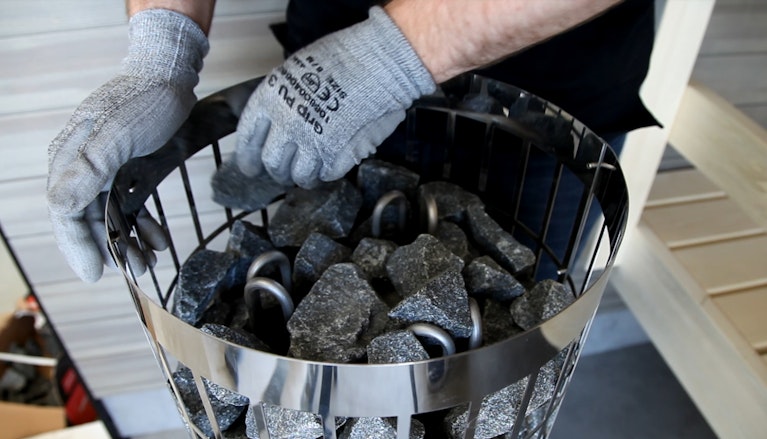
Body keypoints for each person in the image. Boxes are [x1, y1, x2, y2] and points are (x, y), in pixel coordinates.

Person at [47, 0, 654, 283]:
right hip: (326, 78)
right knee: (313, 347)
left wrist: (395, 57)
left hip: (537, 102)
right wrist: (164, 47)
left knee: (498, 359)